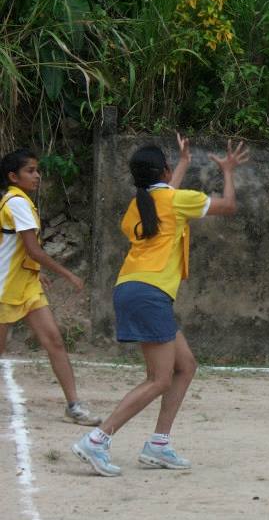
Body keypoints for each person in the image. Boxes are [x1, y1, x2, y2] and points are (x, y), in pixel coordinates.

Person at [72, 135, 248, 476]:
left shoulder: (138, 206)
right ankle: (96, 440)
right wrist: (227, 171)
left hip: (134, 288)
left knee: (186, 366)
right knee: (159, 379)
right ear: (164, 171)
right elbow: (228, 206)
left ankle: (159, 445)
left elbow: (163, 199)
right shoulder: (175, 200)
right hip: (150, 293)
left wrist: (181, 164)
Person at [0, 148, 100, 425]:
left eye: (37, 170)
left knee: (54, 341)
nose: (37, 176)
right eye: (30, 171)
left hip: (25, 284)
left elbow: (21, 250)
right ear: (13, 176)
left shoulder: (18, 201)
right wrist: (67, 274)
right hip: (5, 287)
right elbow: (33, 250)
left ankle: (73, 405)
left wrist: (36, 273)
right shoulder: (16, 202)